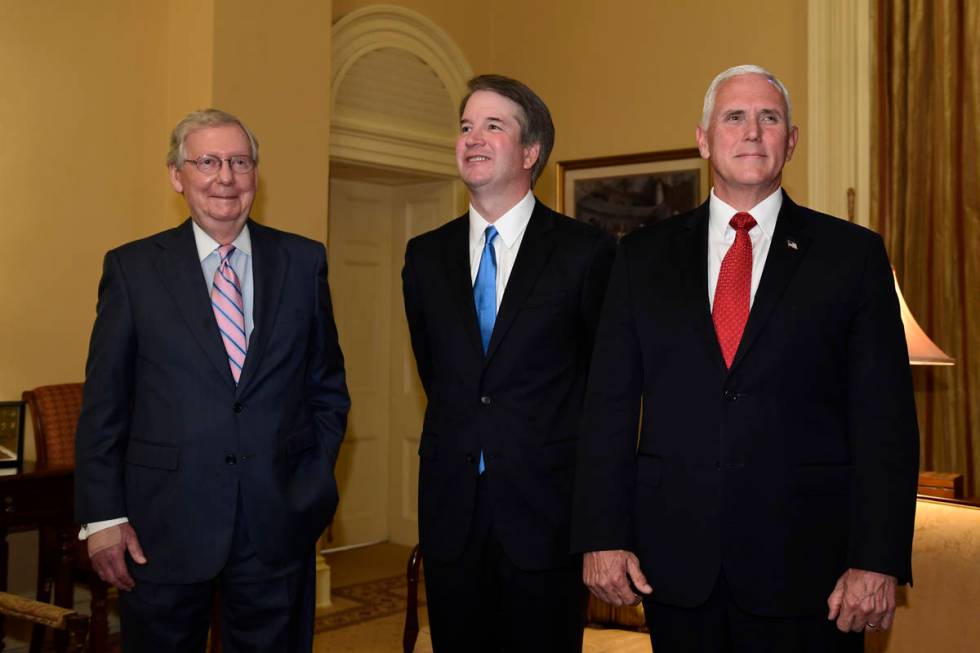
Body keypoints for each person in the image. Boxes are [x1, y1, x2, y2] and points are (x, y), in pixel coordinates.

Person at [570, 65, 919, 652]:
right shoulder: (640, 258)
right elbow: (606, 406)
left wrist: (877, 559)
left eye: (770, 117)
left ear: (792, 140)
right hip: (678, 567)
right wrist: (602, 534)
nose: (752, 131)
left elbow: (884, 421)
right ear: (704, 139)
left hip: (813, 573)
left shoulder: (852, 256)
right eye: (734, 117)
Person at [74, 108, 350, 652]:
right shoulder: (132, 270)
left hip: (276, 522)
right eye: (207, 162)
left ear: (255, 175)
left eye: (239, 162)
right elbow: (105, 404)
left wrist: (309, 482)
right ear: (178, 177)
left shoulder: (302, 262)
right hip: (162, 527)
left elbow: (327, 388)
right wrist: (103, 517)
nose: (225, 177)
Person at [401, 74, 615, 651]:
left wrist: (603, 522)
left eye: (493, 126)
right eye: (466, 126)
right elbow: (443, 376)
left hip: (546, 517)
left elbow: (604, 394)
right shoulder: (424, 257)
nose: (472, 137)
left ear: (530, 151)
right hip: (452, 515)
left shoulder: (585, 253)